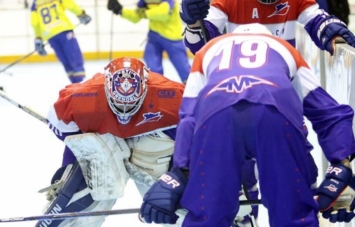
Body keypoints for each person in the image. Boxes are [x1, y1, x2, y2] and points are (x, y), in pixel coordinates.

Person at [140, 23, 355, 226]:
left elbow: (188, 116)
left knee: (207, 213)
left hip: (217, 115)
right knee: (293, 213)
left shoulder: (207, 50)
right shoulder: (285, 48)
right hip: (274, 111)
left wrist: (181, 171)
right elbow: (328, 112)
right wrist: (341, 165)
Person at [35, 57, 186, 227]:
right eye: (118, 102)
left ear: (145, 87)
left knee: (166, 203)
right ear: (106, 87)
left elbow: (192, 137)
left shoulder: (172, 95)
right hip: (106, 135)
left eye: (130, 104)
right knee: (95, 196)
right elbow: (65, 129)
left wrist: (177, 176)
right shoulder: (82, 97)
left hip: (152, 135)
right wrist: (74, 170)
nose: (124, 110)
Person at [179, 0, 355, 56]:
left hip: (284, 80)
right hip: (238, 82)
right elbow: (199, 45)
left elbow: (318, 20)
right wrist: (194, 22)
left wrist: (335, 34)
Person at [106, 0, 191, 83]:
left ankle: (191, 87)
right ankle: (156, 86)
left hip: (172, 37)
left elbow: (163, 14)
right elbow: (136, 16)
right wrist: (120, 10)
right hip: (154, 36)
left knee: (183, 68)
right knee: (152, 66)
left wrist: (145, 13)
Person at [30, 0, 92, 84]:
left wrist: (38, 37)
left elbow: (34, 22)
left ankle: (74, 86)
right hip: (64, 30)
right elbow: (69, 4)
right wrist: (81, 13)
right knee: (75, 59)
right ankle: (81, 86)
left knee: (66, 62)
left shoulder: (35, 3)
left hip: (50, 35)